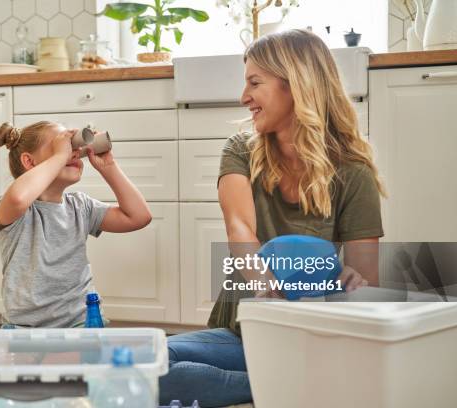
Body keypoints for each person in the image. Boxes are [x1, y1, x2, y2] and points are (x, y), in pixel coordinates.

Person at [159, 29, 385, 407]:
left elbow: (366, 280)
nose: (243, 96)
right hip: (242, 332)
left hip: (309, 339)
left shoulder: (353, 172)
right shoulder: (241, 150)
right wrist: (266, 290)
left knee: (161, 381)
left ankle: (283, 381)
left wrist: (352, 281)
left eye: (254, 82)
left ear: (294, 84)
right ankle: (290, 387)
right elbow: (240, 228)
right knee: (146, 361)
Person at [0, 121, 151, 328]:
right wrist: (60, 156)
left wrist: (109, 167)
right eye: (62, 147)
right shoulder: (16, 209)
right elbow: (18, 198)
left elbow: (139, 217)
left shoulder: (80, 206)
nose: (73, 153)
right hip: (25, 328)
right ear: (29, 162)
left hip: (82, 321)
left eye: (73, 148)